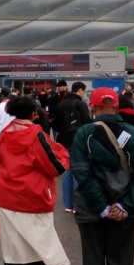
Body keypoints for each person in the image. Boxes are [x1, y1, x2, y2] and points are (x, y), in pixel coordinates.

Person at [71, 87, 134, 265]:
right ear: (117, 107)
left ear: (93, 108)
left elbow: (82, 174)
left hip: (90, 211)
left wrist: (102, 206)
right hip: (124, 212)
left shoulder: (84, 134)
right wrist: (126, 206)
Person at [0, 96, 70, 265]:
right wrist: (62, 151)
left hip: (7, 198)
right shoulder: (37, 135)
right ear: (34, 114)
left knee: (12, 246)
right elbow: (56, 166)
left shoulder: (4, 135)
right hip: (34, 199)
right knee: (38, 247)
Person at [53, 81, 92, 214]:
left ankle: (68, 205)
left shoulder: (61, 104)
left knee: (67, 172)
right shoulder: (81, 104)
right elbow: (87, 123)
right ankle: (77, 204)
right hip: (78, 141)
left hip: (64, 142)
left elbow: (56, 125)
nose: (84, 94)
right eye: (84, 91)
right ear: (80, 90)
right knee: (78, 171)